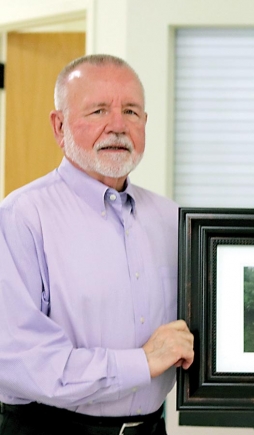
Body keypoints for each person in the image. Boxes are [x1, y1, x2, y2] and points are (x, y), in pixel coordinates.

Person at [0, 54, 194, 435]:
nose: (118, 126)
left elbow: (203, 339)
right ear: (59, 126)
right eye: (98, 111)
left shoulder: (173, 220)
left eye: (132, 112)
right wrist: (142, 362)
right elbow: (25, 359)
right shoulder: (21, 217)